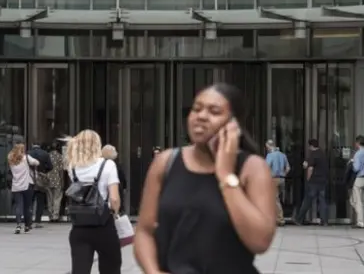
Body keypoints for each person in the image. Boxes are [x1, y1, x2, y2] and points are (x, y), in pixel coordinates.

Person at [134, 83, 277, 274]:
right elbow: (144, 231)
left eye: (214, 111)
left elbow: (260, 241)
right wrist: (153, 272)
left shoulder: (252, 168)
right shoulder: (166, 162)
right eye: (196, 109)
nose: (201, 116)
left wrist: (226, 175)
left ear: (234, 124)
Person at [67, 130, 121, 274]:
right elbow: (114, 199)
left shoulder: (72, 167)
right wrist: (115, 213)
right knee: (111, 267)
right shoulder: (108, 165)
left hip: (80, 226)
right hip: (103, 224)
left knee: (80, 269)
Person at [294, 139, 329, 226]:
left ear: (311, 146)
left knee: (307, 201)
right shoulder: (322, 154)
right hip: (323, 181)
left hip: (314, 181)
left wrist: (308, 179)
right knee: (322, 201)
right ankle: (324, 221)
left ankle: (299, 219)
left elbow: (310, 168)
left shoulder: (313, 155)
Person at [8, 143, 39, 234]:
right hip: (26, 185)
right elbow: (37, 162)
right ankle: (27, 225)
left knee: (18, 206)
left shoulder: (10, 159)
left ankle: (18, 225)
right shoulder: (26, 158)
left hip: (16, 186)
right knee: (27, 206)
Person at [28, 140, 52, 228]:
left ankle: (29, 220)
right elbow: (50, 166)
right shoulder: (45, 154)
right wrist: (43, 171)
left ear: (32, 144)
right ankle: (37, 221)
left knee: (30, 201)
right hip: (41, 180)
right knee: (40, 202)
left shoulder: (28, 153)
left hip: (30, 179)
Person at [350, 135, 364, 228]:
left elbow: (356, 168)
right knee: (362, 200)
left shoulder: (358, 154)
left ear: (357, 143)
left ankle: (360, 221)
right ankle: (362, 218)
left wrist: (352, 162)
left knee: (355, 201)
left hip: (359, 179)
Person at [265, 139, 289, 226]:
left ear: (269, 146)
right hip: (282, 179)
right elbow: (288, 168)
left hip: (273, 179)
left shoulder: (270, 155)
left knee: (275, 200)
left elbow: (266, 167)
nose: (266, 149)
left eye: (267, 147)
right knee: (277, 198)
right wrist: (283, 175)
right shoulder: (283, 155)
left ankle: (280, 219)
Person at [102, 144, 127, 213]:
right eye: (115, 151)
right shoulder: (113, 166)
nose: (117, 153)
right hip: (114, 193)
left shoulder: (100, 165)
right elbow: (122, 179)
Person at [46, 141, 65, 222]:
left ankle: (50, 215)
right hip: (57, 179)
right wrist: (62, 180)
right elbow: (61, 170)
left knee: (49, 198)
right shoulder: (60, 156)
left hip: (48, 179)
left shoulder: (47, 156)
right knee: (57, 198)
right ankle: (55, 216)